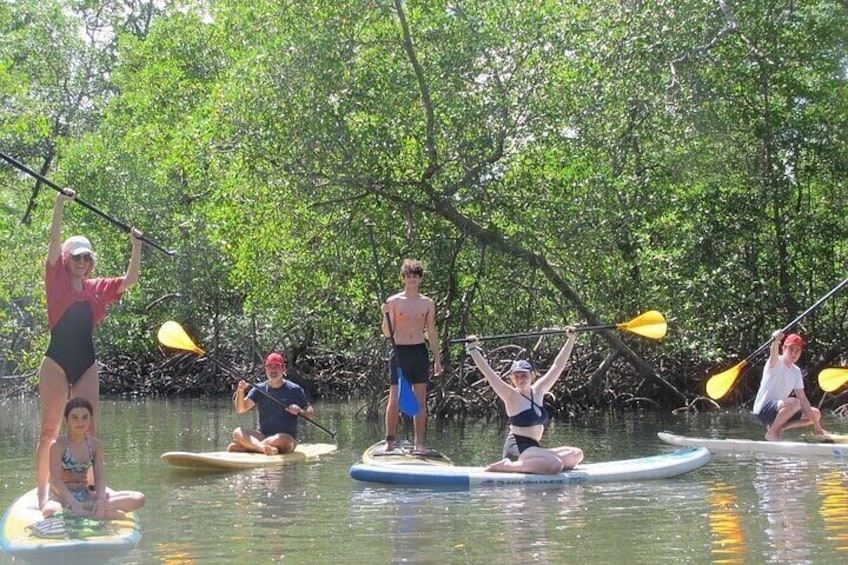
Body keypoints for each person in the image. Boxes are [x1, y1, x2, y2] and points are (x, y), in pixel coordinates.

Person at [36, 189, 142, 510]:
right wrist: (59, 205)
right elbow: (54, 244)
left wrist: (136, 245)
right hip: (56, 362)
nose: (82, 262)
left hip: (86, 363)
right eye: (76, 257)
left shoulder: (96, 289)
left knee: (90, 428)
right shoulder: (57, 280)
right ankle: (43, 494)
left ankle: (95, 491)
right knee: (50, 430)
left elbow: (130, 280)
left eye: (86, 258)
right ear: (67, 260)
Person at [464, 328, 583, 474]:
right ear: (512, 379)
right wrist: (472, 349)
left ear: (531, 375)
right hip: (517, 448)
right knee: (555, 465)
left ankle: (537, 464)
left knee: (576, 454)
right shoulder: (510, 396)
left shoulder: (538, 390)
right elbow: (488, 373)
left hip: (534, 448)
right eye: (517, 376)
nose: (521, 379)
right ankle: (505, 466)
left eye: (524, 375)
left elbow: (557, 366)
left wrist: (570, 340)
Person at [42, 397, 145, 519]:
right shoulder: (58, 445)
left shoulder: (95, 446)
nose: (80, 422)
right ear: (66, 420)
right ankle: (93, 511)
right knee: (48, 512)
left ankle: (84, 510)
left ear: (90, 419)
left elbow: (99, 478)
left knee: (138, 498)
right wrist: (72, 501)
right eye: (74, 417)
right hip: (62, 496)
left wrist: (101, 499)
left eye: (85, 417)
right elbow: (55, 481)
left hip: (85, 494)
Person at [380, 258, 443, 454]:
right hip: (400, 352)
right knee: (394, 399)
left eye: (415, 276)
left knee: (420, 400)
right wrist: (385, 315)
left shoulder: (427, 303)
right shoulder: (394, 301)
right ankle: (389, 441)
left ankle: (419, 444)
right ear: (403, 278)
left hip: (419, 352)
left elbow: (431, 332)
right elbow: (387, 333)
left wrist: (437, 359)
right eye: (409, 276)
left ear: (420, 279)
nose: (412, 280)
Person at [228, 352, 314, 455]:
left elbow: (310, 413)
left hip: (286, 438)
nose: (273, 370)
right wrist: (240, 391)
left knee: (280, 440)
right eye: (270, 366)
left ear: (283, 368)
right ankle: (262, 449)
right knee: (237, 432)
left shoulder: (294, 389)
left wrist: (299, 410)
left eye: (277, 366)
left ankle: (250, 447)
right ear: (265, 369)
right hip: (263, 436)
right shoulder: (259, 388)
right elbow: (241, 409)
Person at [752, 331, 827, 441]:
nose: (794, 354)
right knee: (794, 403)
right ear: (784, 348)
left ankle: (778, 428)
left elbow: (803, 398)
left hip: (781, 410)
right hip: (763, 410)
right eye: (791, 349)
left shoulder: (796, 372)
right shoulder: (775, 362)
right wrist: (776, 340)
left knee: (815, 414)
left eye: (797, 351)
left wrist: (817, 425)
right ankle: (772, 433)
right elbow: (773, 355)